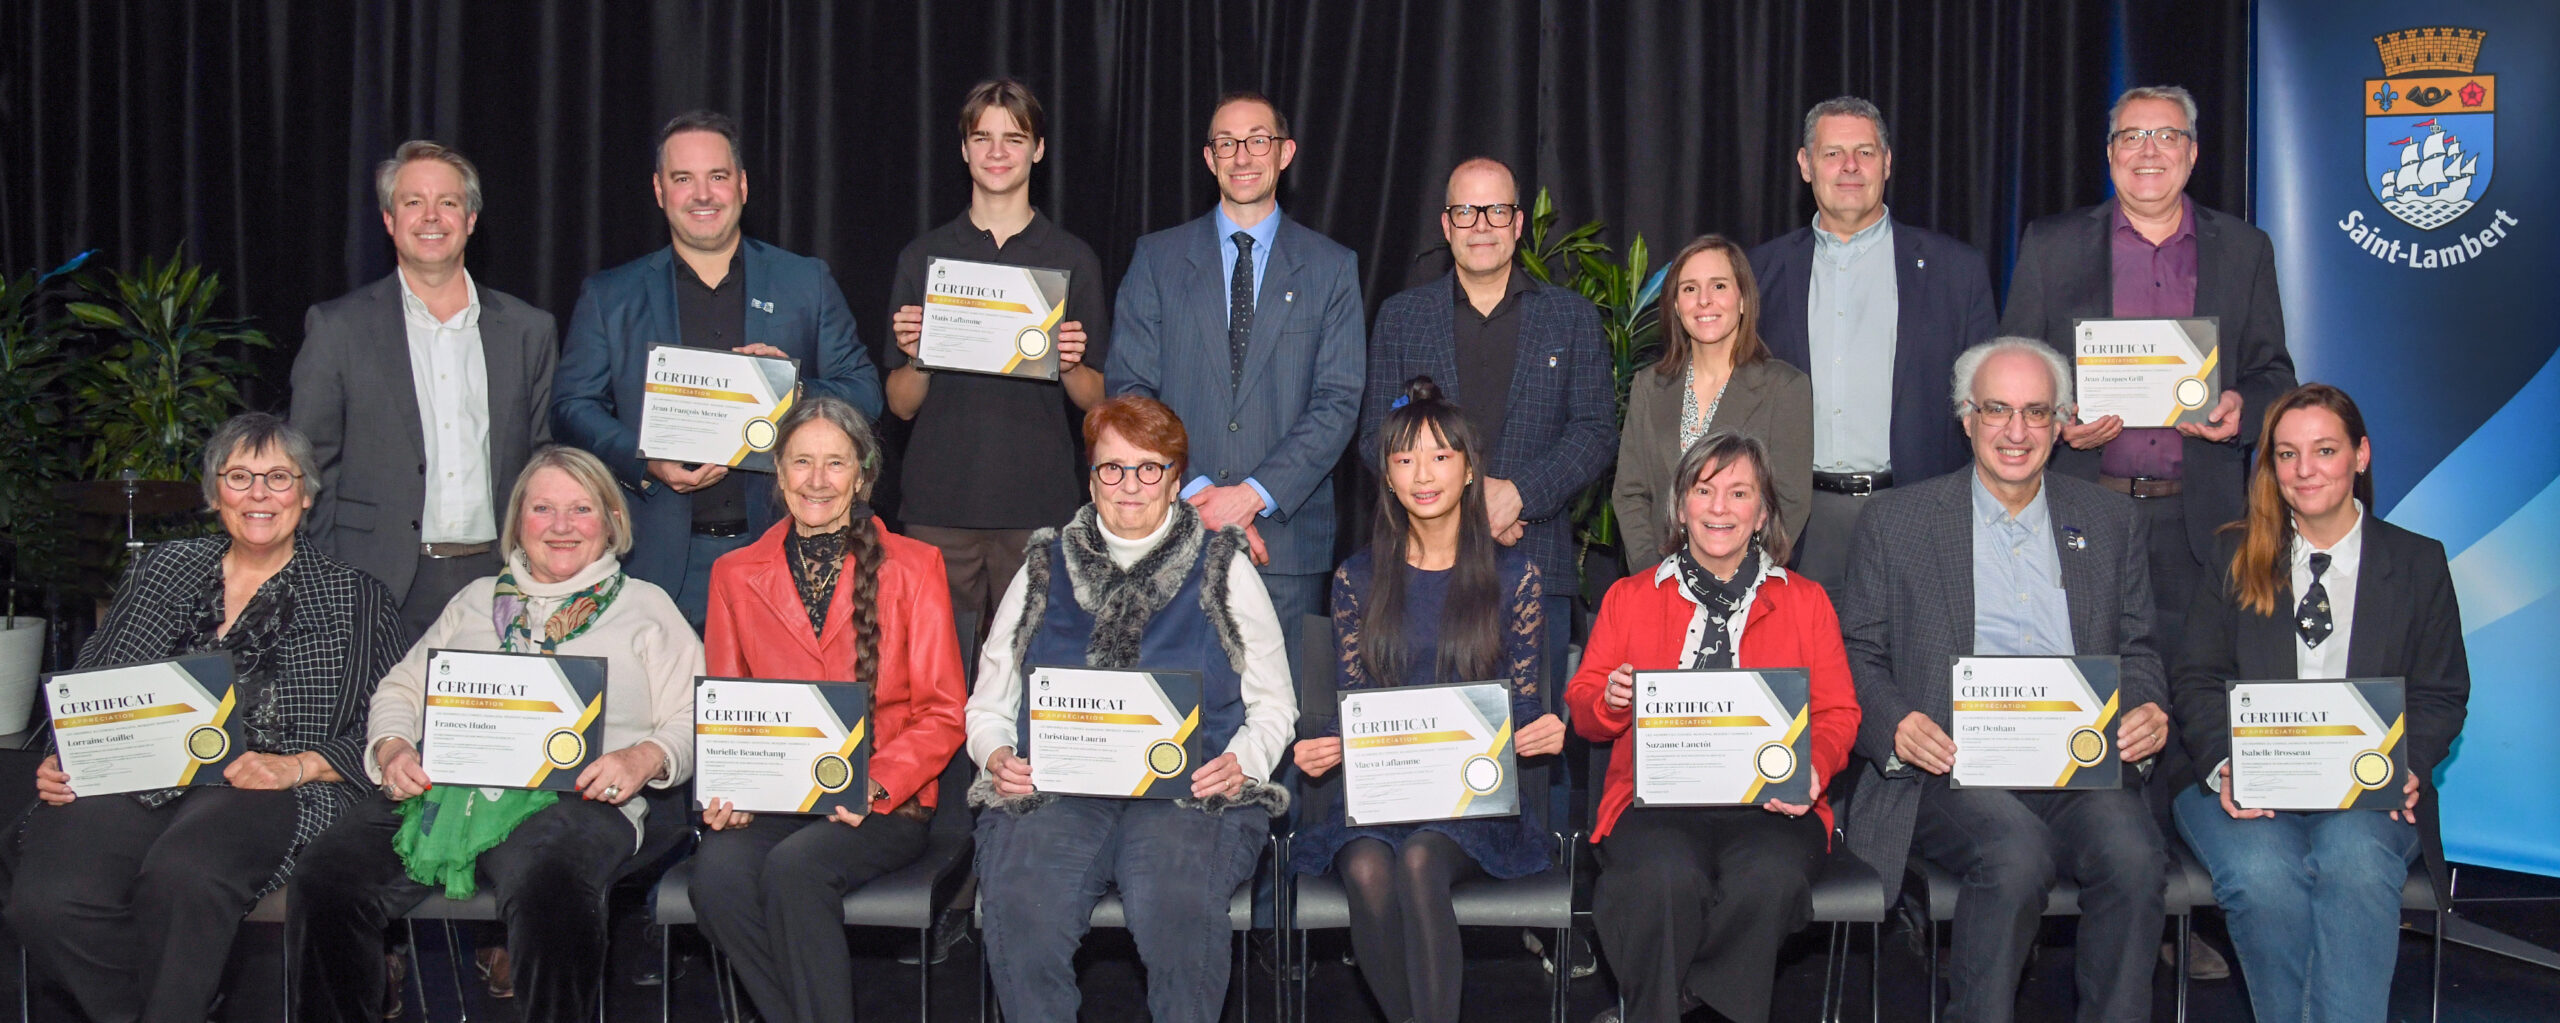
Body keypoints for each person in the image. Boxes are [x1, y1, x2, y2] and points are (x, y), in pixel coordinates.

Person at [5, 413, 404, 1023]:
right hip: (134, 775)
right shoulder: (159, 570)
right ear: (215, 493)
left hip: (263, 786)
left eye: (278, 478)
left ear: (306, 492)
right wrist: (66, 754)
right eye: (240, 477)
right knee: (45, 902)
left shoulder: (356, 594)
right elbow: (94, 676)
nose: (259, 494)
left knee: (182, 877)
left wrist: (300, 766)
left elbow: (390, 722)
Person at [290, 446, 702, 1023]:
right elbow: (400, 690)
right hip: (447, 790)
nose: (561, 527)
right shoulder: (475, 601)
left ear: (612, 521)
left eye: (581, 509)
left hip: (578, 799)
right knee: (326, 878)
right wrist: (392, 746)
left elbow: (694, 712)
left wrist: (645, 756)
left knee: (551, 889)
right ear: (517, 522)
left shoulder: (647, 608)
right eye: (542, 509)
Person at [1837, 337, 2171, 1023]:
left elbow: (2139, 649)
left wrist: (2146, 706)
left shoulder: (2111, 522)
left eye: (2036, 411)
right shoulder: (1897, 521)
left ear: (2059, 421)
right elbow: (1856, 652)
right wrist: (1895, 722)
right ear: (1967, 417)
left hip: (2077, 766)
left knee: (2136, 857)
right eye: (1997, 409)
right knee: (2016, 855)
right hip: (1951, 767)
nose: (2016, 431)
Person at [966, 395, 1297, 1023]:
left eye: (1149, 468)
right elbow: (989, 701)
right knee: (1022, 900)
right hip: (1059, 789)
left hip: (1191, 791)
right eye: (1111, 468)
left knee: (1175, 902)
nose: (1129, 485)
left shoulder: (1223, 563)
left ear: (1176, 478)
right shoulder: (1042, 564)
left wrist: (1242, 763)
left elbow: (1275, 703)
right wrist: (997, 754)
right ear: (1090, 477)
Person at [2169, 384, 2468, 1023]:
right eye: (2286, 454)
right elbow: (2196, 679)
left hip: (2367, 790)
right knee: (2265, 878)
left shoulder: (2417, 563)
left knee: (2356, 864)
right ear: (2270, 468)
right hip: (2245, 788)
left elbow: (2442, 693)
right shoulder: (2233, 552)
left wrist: (2406, 766)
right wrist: (2227, 768)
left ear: (2361, 455)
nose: (2305, 471)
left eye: (2325, 450)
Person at [1292, 378, 1567, 1023]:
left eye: (1441, 456)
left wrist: (1547, 730)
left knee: (1418, 859)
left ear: (1471, 470)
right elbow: (1352, 704)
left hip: (1476, 799)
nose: (1423, 473)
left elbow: (1524, 706)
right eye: (1405, 458)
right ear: (1386, 477)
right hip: (1385, 793)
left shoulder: (1512, 575)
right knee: (1364, 868)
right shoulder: (1357, 578)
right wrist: (1323, 745)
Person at [689, 396, 968, 1022]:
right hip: (773, 798)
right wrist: (727, 790)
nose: (818, 480)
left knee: (795, 870)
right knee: (717, 881)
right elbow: (726, 705)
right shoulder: (733, 573)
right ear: (779, 473)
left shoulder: (916, 566)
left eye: (836, 463)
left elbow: (945, 711)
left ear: (863, 476)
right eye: (802, 462)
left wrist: (877, 783)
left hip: (882, 799)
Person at [1999, 84, 2298, 665]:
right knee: (2086, 681)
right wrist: (2055, 420)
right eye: (2132, 136)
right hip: (2084, 507)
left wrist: (2240, 409)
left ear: (2192, 154)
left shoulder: (2243, 249)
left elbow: (2274, 375)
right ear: (2111, 154)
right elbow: (2013, 365)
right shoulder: (2051, 244)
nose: (2149, 151)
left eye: (2167, 135)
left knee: (2194, 687)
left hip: (2202, 516)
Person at [552, 110, 883, 629]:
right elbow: (571, 408)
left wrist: (793, 392)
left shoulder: (805, 282)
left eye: (718, 177)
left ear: (743, 186)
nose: (702, 194)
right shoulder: (610, 295)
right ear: (660, 191)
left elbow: (864, 393)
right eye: (683, 179)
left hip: (782, 548)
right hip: (654, 561)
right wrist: (645, 462)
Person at [1570, 432, 1860, 1023]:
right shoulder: (1629, 598)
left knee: (1769, 880)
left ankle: (1671, 1000)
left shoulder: (1807, 603)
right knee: (1661, 878)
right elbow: (1582, 708)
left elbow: (1839, 713)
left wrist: (1814, 768)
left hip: (1773, 807)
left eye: (1739, 492)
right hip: (1653, 804)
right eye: (1704, 491)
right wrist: (1610, 699)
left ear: (1762, 512)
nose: (1720, 508)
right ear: (1681, 507)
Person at [1105, 90, 1364, 643]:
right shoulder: (1157, 259)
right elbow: (1131, 390)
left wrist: (1251, 495)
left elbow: (1338, 401)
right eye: (1227, 143)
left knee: (1285, 720)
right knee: (1171, 714)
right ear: (1208, 158)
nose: (1242, 156)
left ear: (1285, 153)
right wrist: (1195, 490)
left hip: (1284, 542)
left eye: (1257, 141)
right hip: (1170, 525)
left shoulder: (1331, 268)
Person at [1360, 158, 1614, 699]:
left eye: (1496, 210)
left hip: (1536, 563)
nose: (1481, 225)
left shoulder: (1571, 318)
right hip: (1419, 571)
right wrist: (1465, 510)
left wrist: (1519, 495)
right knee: (1424, 749)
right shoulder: (1401, 318)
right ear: (1446, 225)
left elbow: (1595, 430)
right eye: (1466, 211)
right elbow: (1373, 438)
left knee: (1533, 757)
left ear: (1518, 224)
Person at [292, 139, 558, 641]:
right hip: (371, 583)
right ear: (389, 220)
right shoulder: (338, 328)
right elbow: (307, 466)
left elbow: (542, 457)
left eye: (449, 203)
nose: (431, 216)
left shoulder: (529, 330)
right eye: (413, 202)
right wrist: (325, 580)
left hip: (499, 580)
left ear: (471, 219)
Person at [885, 79, 1111, 647]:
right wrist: (919, 358)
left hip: (1039, 507)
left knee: (1033, 673)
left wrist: (1070, 364)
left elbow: (1098, 400)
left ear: (1038, 150)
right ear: (963, 148)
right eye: (981, 137)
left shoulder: (1072, 258)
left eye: (1014, 138)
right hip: (940, 505)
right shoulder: (924, 256)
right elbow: (899, 405)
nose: (996, 152)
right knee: (934, 676)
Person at [1747, 96, 1996, 587]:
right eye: (1832, 153)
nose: (1849, 167)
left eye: (1864, 152)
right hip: (1795, 526)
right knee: (1804, 666)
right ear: (1805, 164)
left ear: (1887, 162)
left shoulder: (1956, 270)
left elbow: (1989, 404)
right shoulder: (1758, 273)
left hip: (1919, 517)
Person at [1614, 234, 1812, 575]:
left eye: (1718, 286)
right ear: (1676, 305)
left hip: (1746, 590)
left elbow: (1789, 503)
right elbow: (1631, 493)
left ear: (1743, 300)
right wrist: (1653, 576)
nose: (1704, 300)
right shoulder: (1649, 386)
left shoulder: (1786, 388)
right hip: (1659, 583)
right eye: (1690, 289)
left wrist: (1735, 581)